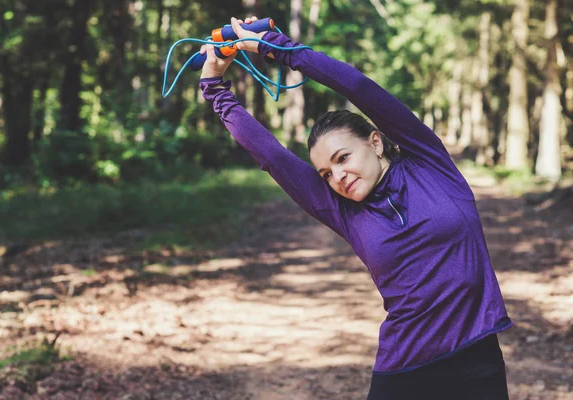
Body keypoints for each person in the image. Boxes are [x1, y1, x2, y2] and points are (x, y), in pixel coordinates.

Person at [199, 16, 513, 400]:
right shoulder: (344, 211)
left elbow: (359, 88)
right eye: (326, 173)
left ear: (376, 142)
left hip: (478, 359)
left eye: (343, 157)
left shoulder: (430, 164)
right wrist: (215, 88)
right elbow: (272, 157)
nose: (338, 176)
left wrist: (275, 46)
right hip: (406, 367)